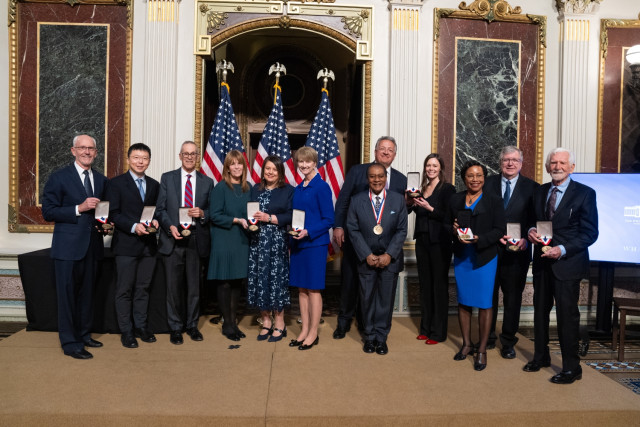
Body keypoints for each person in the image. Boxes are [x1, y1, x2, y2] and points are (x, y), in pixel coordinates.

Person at [524, 148, 598, 384]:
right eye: (553, 163)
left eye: (562, 163)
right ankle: (541, 356)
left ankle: (571, 368)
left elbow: (590, 233)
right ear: (547, 167)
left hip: (567, 264)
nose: (557, 166)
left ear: (571, 167)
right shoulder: (540, 191)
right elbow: (530, 220)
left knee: (567, 317)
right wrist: (530, 231)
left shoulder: (585, 194)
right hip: (542, 263)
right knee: (540, 313)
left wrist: (563, 249)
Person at [332, 136, 407, 339]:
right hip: (357, 239)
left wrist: (412, 204)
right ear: (375, 152)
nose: (385, 152)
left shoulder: (401, 179)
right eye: (382, 148)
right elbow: (345, 199)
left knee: (380, 290)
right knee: (350, 281)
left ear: (394, 155)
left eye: (390, 150)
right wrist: (338, 226)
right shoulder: (358, 171)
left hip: (386, 244)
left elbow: (400, 212)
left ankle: (371, 326)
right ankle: (344, 322)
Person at [41, 134, 107, 359]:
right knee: (67, 297)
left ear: (96, 153)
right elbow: (48, 212)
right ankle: (70, 343)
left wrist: (106, 225)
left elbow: (102, 213)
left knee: (87, 295)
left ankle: (84, 334)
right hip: (67, 249)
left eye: (91, 149)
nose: (87, 152)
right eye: (82, 148)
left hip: (93, 247)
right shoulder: (59, 178)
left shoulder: (101, 180)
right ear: (73, 151)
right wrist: (78, 208)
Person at [448, 160, 505, 371]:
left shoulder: (494, 200)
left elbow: (500, 230)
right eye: (471, 176)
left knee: (484, 303)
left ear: (484, 178)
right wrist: (454, 229)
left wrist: (480, 238)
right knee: (463, 301)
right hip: (463, 257)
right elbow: (448, 224)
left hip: (484, 258)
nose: (475, 179)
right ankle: (466, 344)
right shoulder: (456, 199)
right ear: (464, 178)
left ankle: (481, 349)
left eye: (479, 175)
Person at [346, 163, 408, 355]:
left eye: (380, 176)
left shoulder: (398, 200)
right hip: (367, 260)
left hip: (390, 260)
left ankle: (381, 338)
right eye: (372, 177)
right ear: (367, 179)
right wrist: (367, 254)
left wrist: (389, 254)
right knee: (366, 300)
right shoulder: (357, 200)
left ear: (385, 178)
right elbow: (352, 229)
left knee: (385, 301)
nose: (377, 180)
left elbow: (401, 230)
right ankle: (369, 337)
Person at [156, 141, 213, 345]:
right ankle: (175, 328)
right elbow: (160, 209)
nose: (189, 157)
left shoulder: (207, 182)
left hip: (196, 240)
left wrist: (203, 213)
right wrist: (170, 226)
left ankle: (192, 326)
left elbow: (212, 212)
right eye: (186, 154)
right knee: (173, 287)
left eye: (193, 154)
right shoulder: (167, 178)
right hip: (173, 238)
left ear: (197, 157)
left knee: (194, 287)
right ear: (180, 156)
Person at [485, 146, 539, 359]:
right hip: (490, 249)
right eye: (506, 159)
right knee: (488, 296)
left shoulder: (533, 188)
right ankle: (487, 337)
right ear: (500, 162)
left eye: (514, 160)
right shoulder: (487, 184)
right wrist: (492, 234)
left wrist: (528, 237)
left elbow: (535, 219)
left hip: (518, 252)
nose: (510, 163)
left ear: (521, 163)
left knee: (513, 298)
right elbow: (480, 215)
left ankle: (508, 341)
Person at [105, 143, 160, 348]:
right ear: (128, 159)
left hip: (148, 247)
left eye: (144, 158)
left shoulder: (154, 185)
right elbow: (114, 213)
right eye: (136, 157)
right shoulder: (116, 183)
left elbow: (156, 212)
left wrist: (157, 222)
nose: (140, 162)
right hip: (126, 246)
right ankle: (126, 331)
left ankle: (141, 327)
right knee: (124, 290)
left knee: (143, 289)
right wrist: (133, 226)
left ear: (149, 161)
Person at [288, 147, 334, 350]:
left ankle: (313, 332)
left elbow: (329, 220)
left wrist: (308, 231)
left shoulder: (322, 187)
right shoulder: (298, 188)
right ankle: (304, 330)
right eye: (300, 162)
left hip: (315, 244)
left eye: (307, 162)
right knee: (301, 289)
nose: (304, 165)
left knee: (314, 289)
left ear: (315, 163)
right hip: (298, 243)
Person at [408, 153, 455, 345]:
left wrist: (430, 208)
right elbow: (409, 210)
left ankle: (438, 332)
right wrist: (409, 201)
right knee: (425, 286)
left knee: (438, 287)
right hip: (422, 241)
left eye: (435, 166)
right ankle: (425, 328)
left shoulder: (448, 189)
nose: (431, 169)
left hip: (440, 242)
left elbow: (449, 217)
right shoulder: (420, 188)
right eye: (428, 165)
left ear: (441, 168)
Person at [247, 155, 294, 342]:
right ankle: (266, 321)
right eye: (267, 168)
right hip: (257, 243)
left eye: (274, 169)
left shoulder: (288, 190)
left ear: (280, 172)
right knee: (260, 280)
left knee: (277, 281)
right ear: (263, 171)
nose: (270, 172)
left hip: (277, 242)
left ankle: (280, 323)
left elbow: (292, 214)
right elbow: (249, 211)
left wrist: (270, 218)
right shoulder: (255, 190)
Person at [207, 150, 251, 341]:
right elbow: (214, 215)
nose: (236, 167)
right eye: (232, 164)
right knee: (224, 282)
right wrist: (236, 220)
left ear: (243, 166)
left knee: (236, 282)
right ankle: (227, 324)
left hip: (241, 240)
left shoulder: (248, 188)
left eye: (239, 163)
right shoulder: (220, 188)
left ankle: (233, 322)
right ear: (227, 167)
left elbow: (251, 213)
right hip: (224, 240)